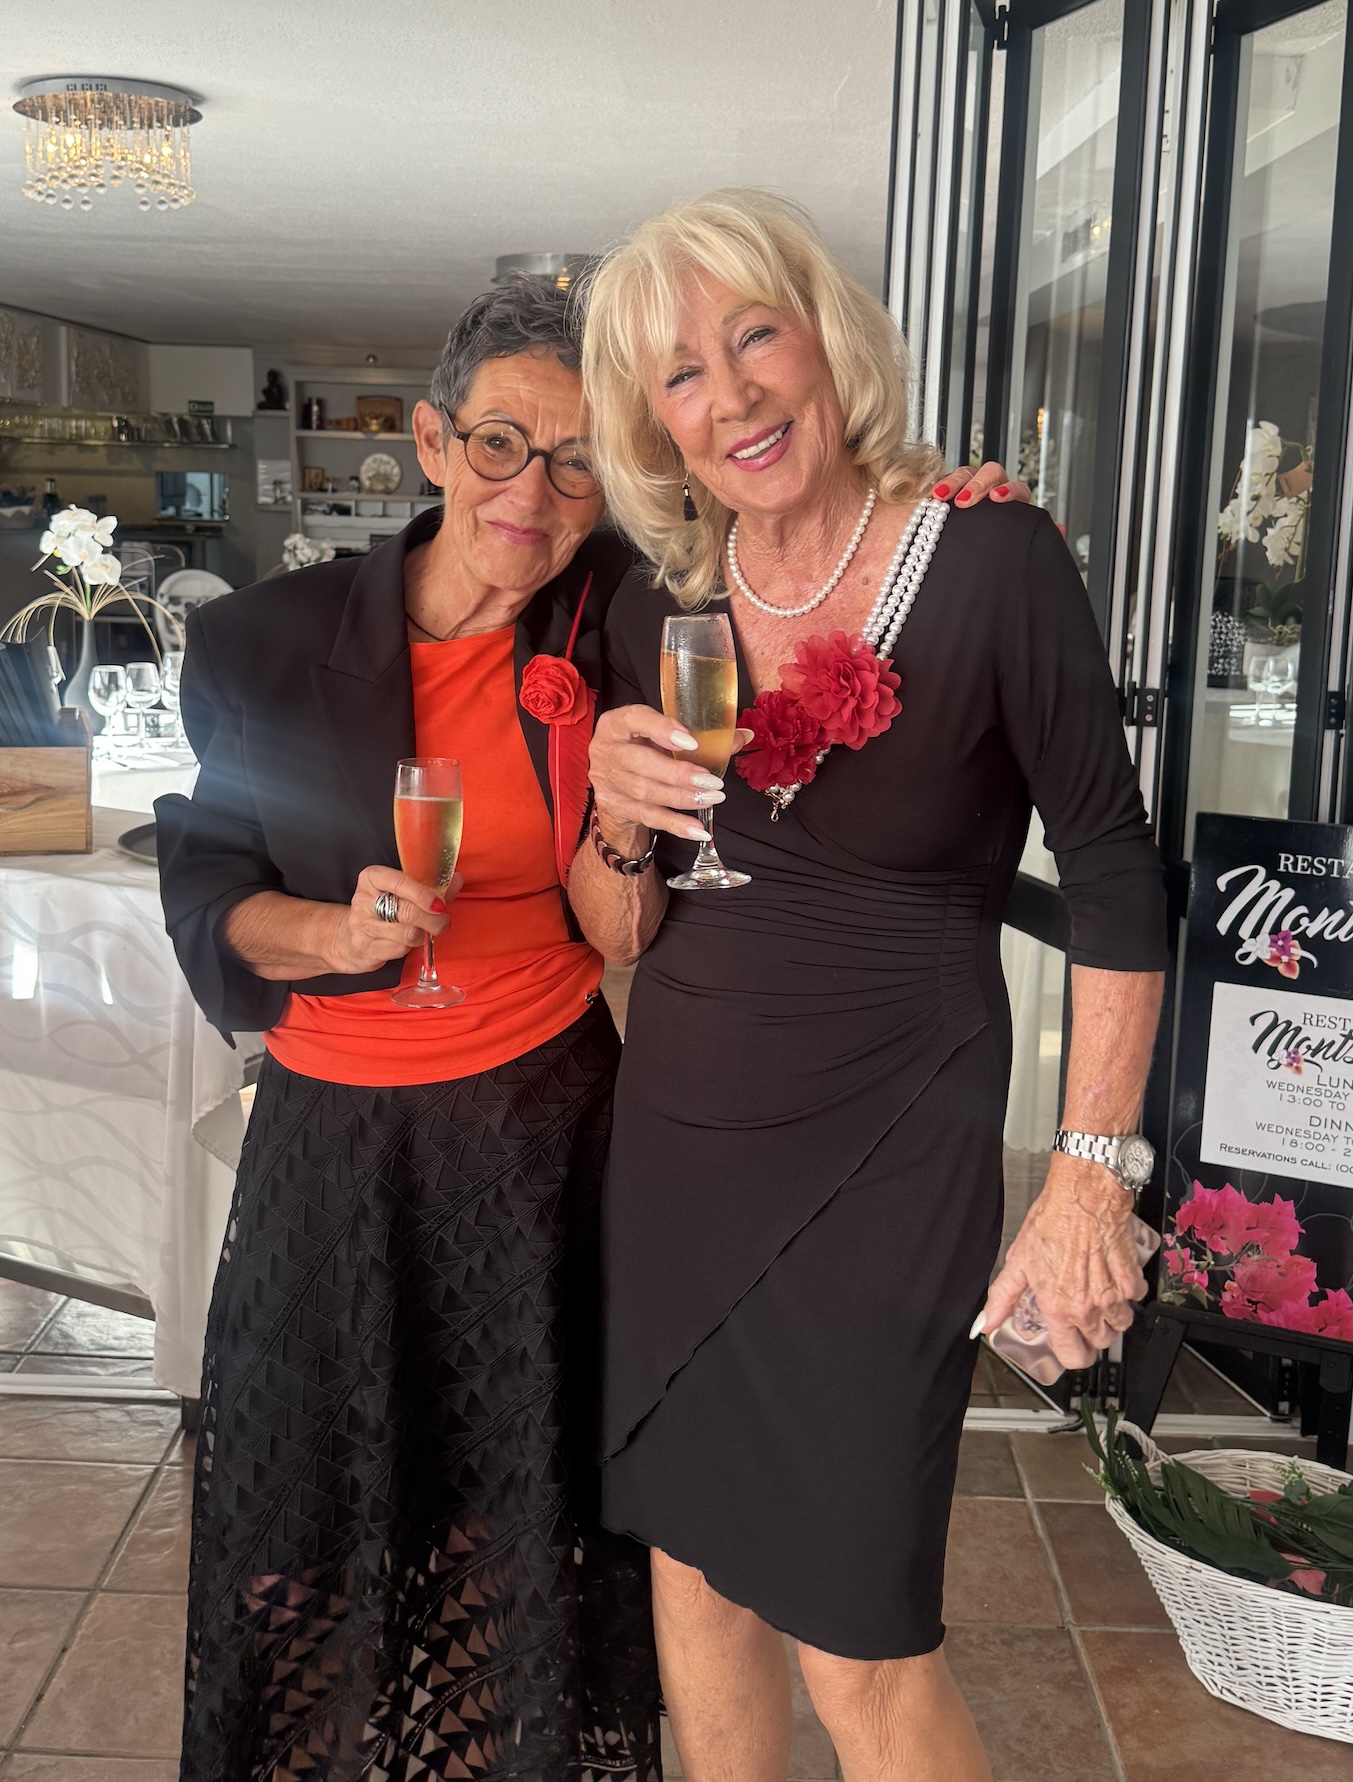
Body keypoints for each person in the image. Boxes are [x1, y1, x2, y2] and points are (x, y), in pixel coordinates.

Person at [572, 189, 1168, 1782]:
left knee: (858, 1633)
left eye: (752, 336)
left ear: (826, 338)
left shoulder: (990, 559)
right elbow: (619, 928)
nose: (731, 395)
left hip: (887, 1151)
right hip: (680, 1146)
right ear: (655, 423)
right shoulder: (656, 605)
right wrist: (613, 814)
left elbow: (1114, 870)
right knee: (692, 1570)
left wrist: (1087, 1175)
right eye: (682, 374)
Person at [155, 281, 660, 1782]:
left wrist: (938, 502)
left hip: (547, 1132)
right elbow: (210, 886)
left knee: (522, 1511)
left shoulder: (618, 618)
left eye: (576, 460)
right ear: (433, 443)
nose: (533, 491)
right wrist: (334, 937)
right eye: (500, 442)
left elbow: (786, 557)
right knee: (303, 1510)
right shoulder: (264, 642)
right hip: (336, 1143)